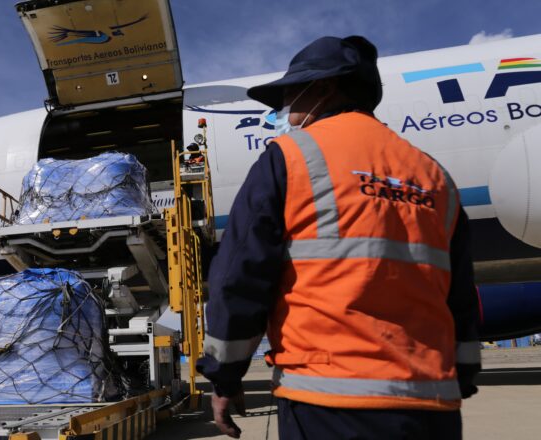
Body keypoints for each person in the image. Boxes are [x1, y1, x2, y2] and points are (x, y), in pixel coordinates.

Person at [196, 36, 481, 439]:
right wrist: (463, 374)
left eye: (291, 93)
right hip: (432, 407)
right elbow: (461, 295)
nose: (286, 109)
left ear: (325, 88)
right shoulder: (434, 176)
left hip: (328, 402)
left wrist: (225, 376)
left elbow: (239, 277)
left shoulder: (290, 158)